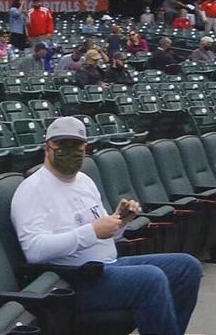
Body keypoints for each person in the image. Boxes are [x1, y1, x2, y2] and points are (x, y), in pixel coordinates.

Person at [11, 116, 201, 335]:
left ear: (86, 147)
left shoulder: (84, 181)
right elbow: (34, 250)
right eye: (63, 144)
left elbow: (105, 235)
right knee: (151, 279)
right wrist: (91, 232)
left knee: (187, 267)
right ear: (47, 148)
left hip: (108, 266)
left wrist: (120, 221)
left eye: (77, 145)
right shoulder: (31, 190)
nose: (71, 150)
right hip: (74, 281)